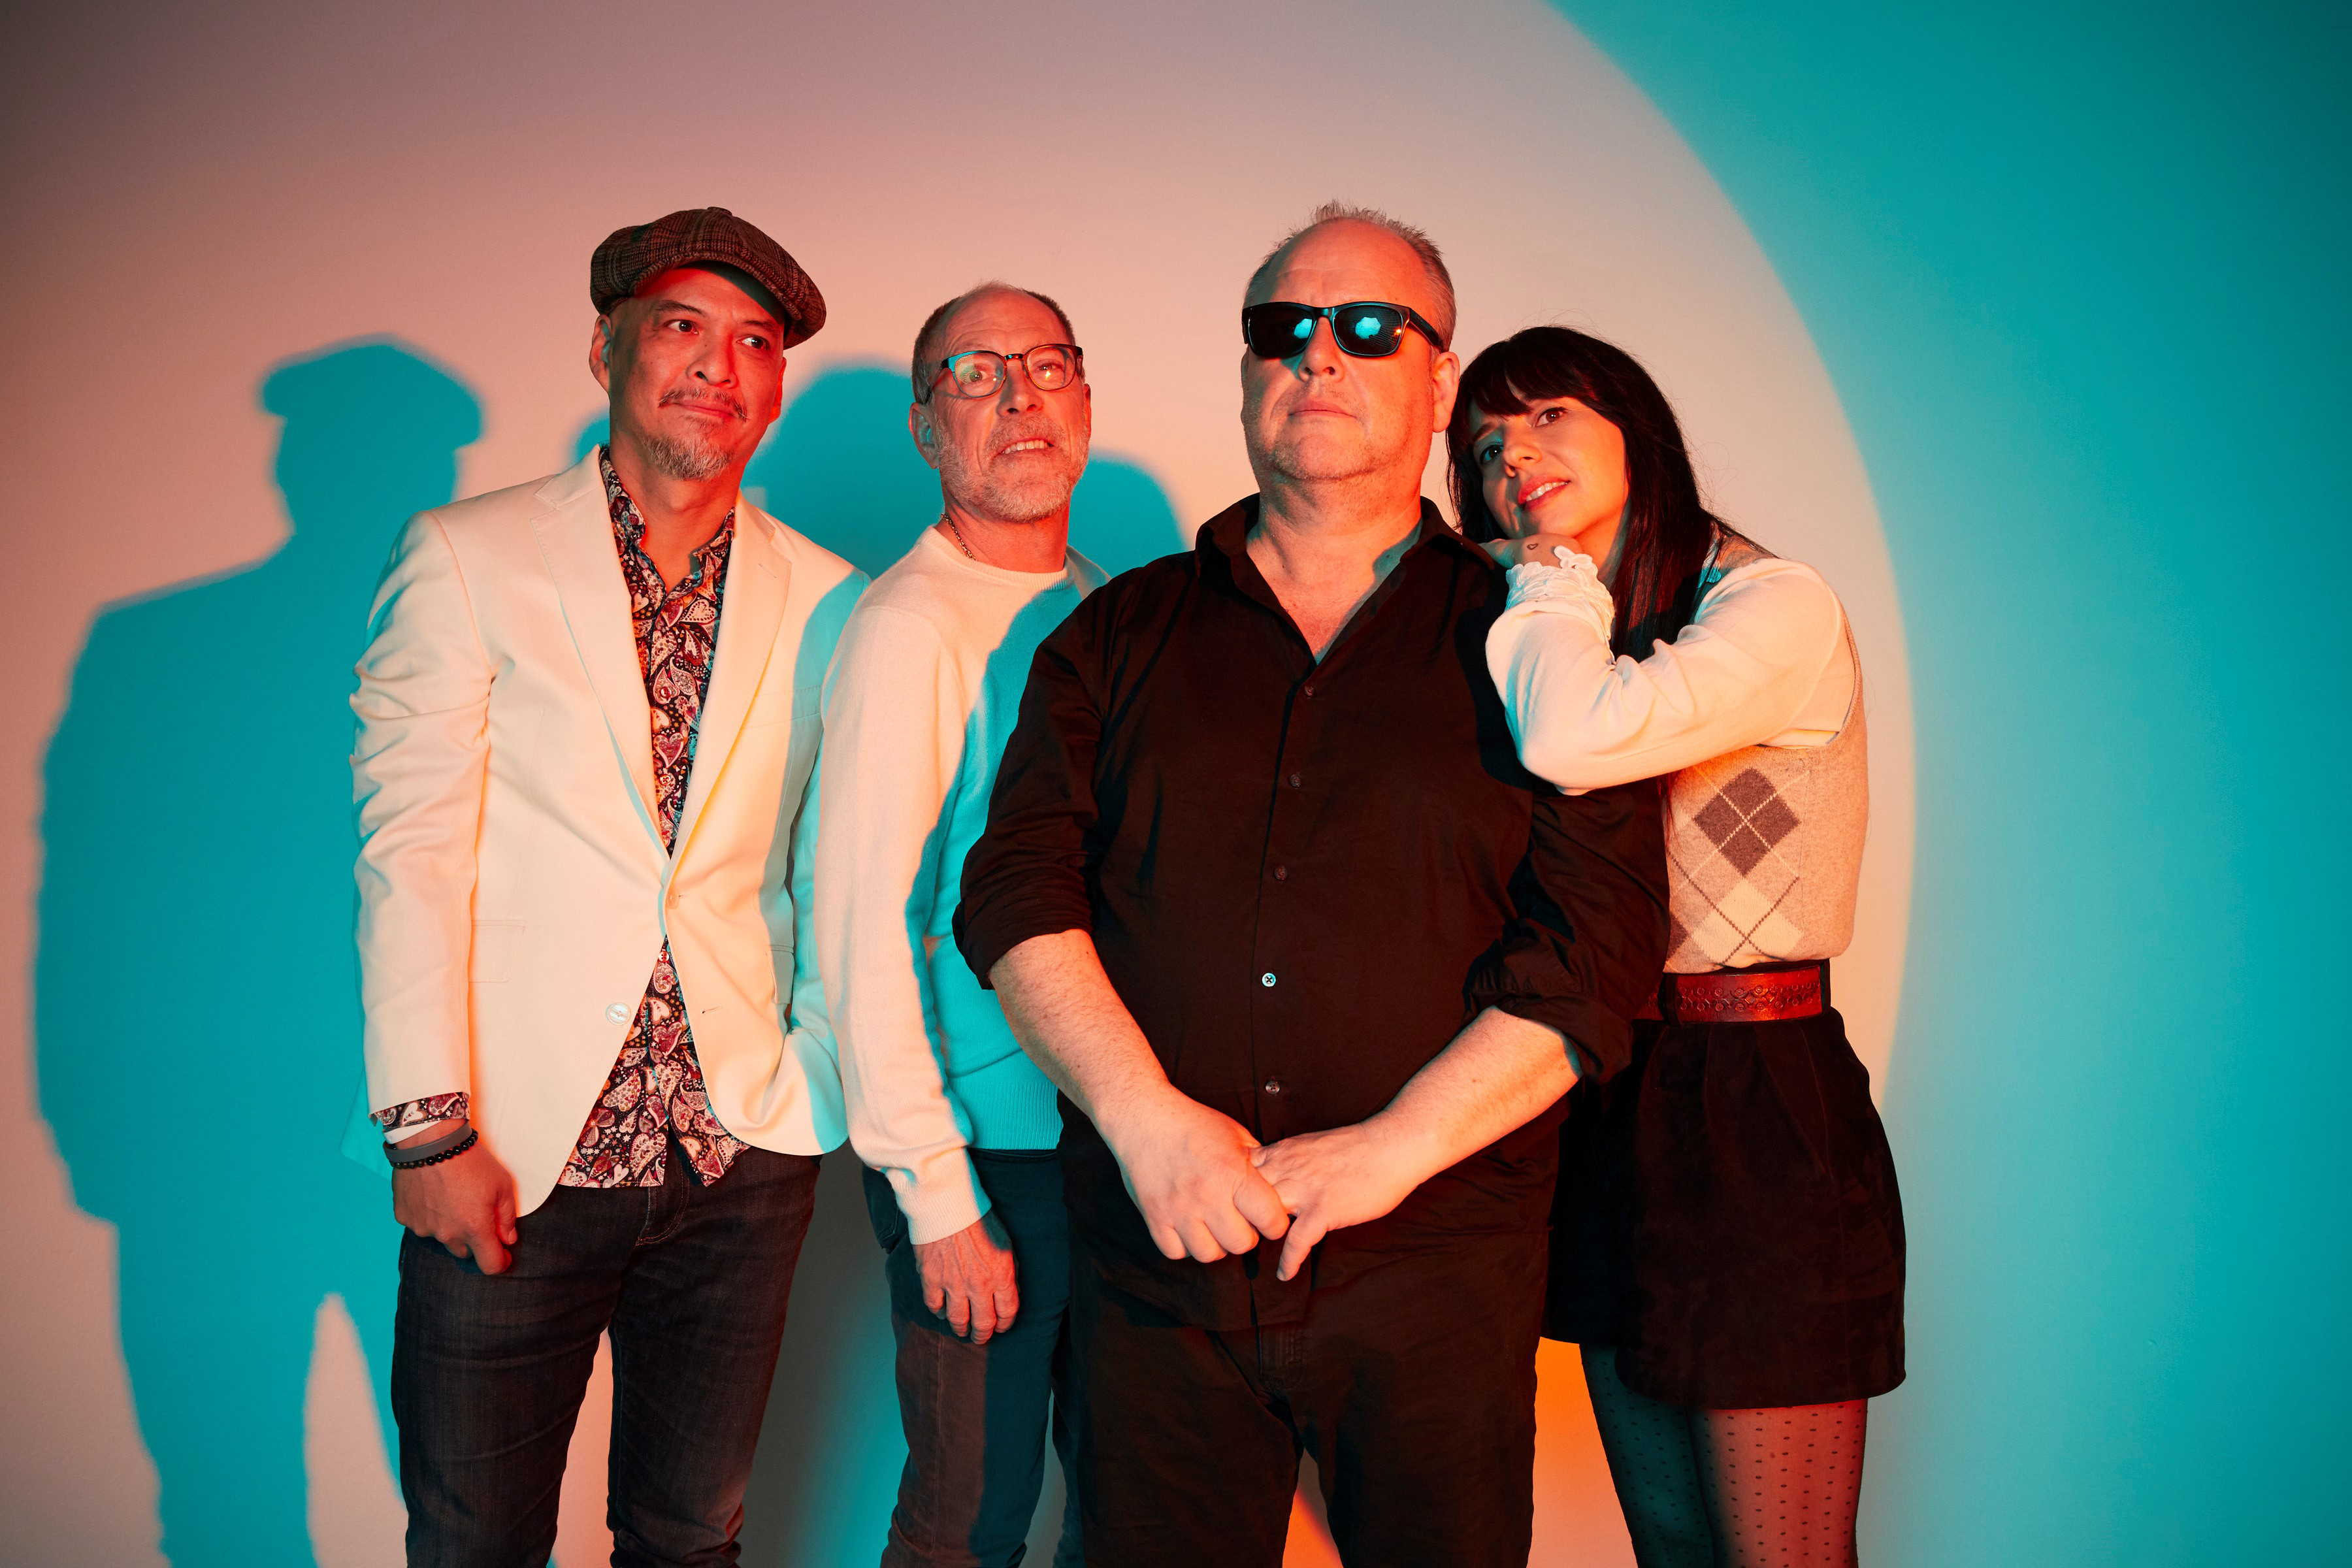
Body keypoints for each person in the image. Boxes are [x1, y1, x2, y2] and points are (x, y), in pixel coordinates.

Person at [953, 205, 1671, 1568]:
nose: (1319, 355)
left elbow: (1598, 947)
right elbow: (1015, 893)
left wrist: (1395, 1147)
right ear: (1247, 371)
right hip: (1157, 1275)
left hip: (1437, 1279)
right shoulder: (1113, 633)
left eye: (1369, 329)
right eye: (1282, 327)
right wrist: (1147, 1123)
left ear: (1441, 382)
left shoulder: (1546, 644)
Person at [351, 206, 864, 1565]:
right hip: (511, 1155)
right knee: (475, 1542)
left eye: (754, 343)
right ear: (607, 351)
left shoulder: (835, 600)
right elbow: (409, 851)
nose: (718, 366)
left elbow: (839, 867)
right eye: (682, 326)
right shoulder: (466, 556)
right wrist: (426, 1133)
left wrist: (811, 1082)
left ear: (776, 387)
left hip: (740, 1160)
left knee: (692, 1538)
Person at [1450, 325, 1905, 1567]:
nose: (1512, 456)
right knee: (1673, 1548)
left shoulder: (1772, 602)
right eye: (1484, 445)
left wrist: (1543, 572)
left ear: (1634, 425)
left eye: (1547, 415)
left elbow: (1575, 738)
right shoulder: (1560, 620)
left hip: (1761, 1099)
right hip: (1606, 1091)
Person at [815, 283, 1101, 1568]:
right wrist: (936, 1196)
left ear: (1083, 399)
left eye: (1045, 364)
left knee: (1129, 1509)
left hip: (1112, 1140)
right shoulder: (906, 629)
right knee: (966, 1528)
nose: (1020, 395)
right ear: (928, 427)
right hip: (987, 1158)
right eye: (976, 374)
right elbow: (859, 930)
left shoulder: (1107, 604)